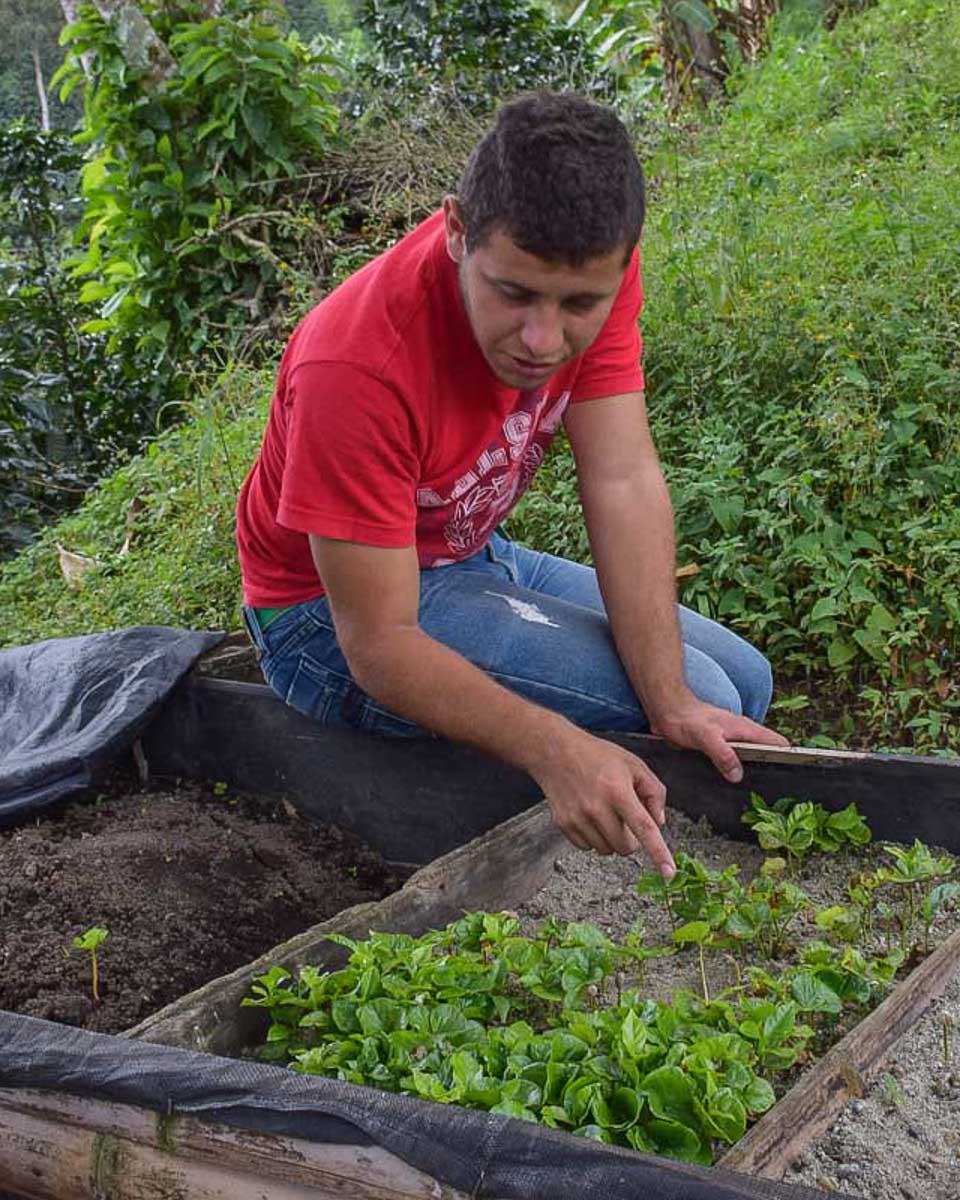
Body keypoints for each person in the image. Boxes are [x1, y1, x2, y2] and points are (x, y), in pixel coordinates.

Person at [236, 91, 788, 878]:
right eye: (515, 294)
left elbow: (623, 477)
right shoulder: (353, 366)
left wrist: (668, 699)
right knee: (711, 696)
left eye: (577, 307)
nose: (543, 338)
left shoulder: (590, 267)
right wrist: (554, 749)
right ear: (458, 230)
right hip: (323, 620)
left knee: (734, 687)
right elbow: (379, 645)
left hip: (468, 557)